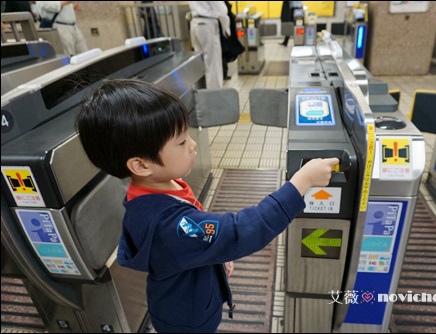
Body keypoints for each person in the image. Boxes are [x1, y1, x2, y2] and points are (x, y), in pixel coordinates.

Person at [75, 78, 339, 333]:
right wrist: (302, 182)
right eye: (180, 142)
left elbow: (203, 237)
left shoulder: (161, 185)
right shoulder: (169, 224)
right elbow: (237, 232)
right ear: (141, 165)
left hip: (193, 295)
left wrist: (217, 254)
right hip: (188, 321)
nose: (192, 145)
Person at [188, 1, 230, 89]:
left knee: (200, 62)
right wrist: (226, 28)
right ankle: (214, 95)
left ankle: (201, 93)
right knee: (213, 63)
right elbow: (222, 10)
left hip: (194, 24)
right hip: (207, 24)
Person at [221, 0, 243, 80]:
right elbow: (223, 12)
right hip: (222, 31)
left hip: (222, 30)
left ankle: (224, 73)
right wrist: (226, 29)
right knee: (223, 53)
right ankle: (224, 74)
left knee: (223, 53)